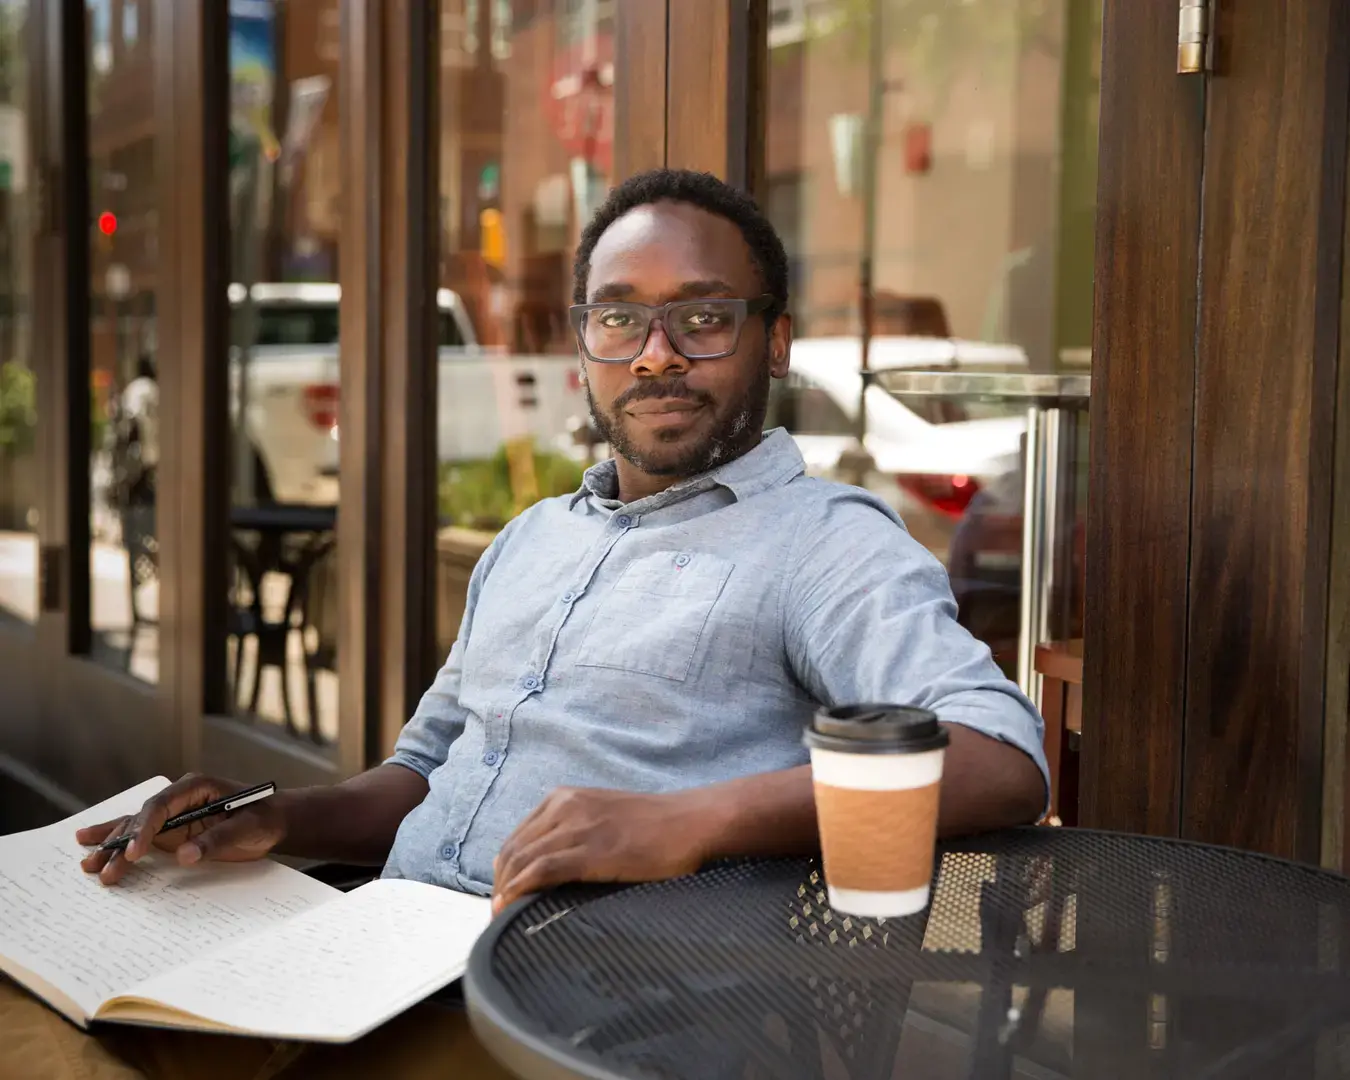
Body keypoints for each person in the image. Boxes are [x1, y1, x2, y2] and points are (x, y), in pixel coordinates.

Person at [6, 169, 1048, 1080]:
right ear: (582, 345)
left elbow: (1002, 758)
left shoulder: (822, 540)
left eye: (703, 316)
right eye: (618, 318)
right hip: (366, 957)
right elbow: (422, 771)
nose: (655, 356)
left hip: (582, 1013)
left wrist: (684, 821)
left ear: (773, 340)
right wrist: (282, 817)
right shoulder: (532, 538)